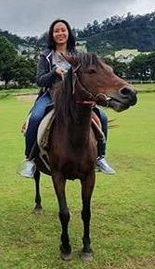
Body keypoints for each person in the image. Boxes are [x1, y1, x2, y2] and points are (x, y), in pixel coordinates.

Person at [18, 18, 115, 178]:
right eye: (56, 31)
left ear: (68, 33)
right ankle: (30, 160)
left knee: (102, 117)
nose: (60, 33)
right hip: (50, 96)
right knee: (35, 118)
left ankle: (100, 157)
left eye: (63, 30)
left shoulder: (78, 55)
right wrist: (53, 72)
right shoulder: (46, 56)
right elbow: (40, 80)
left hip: (76, 98)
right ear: (52, 35)